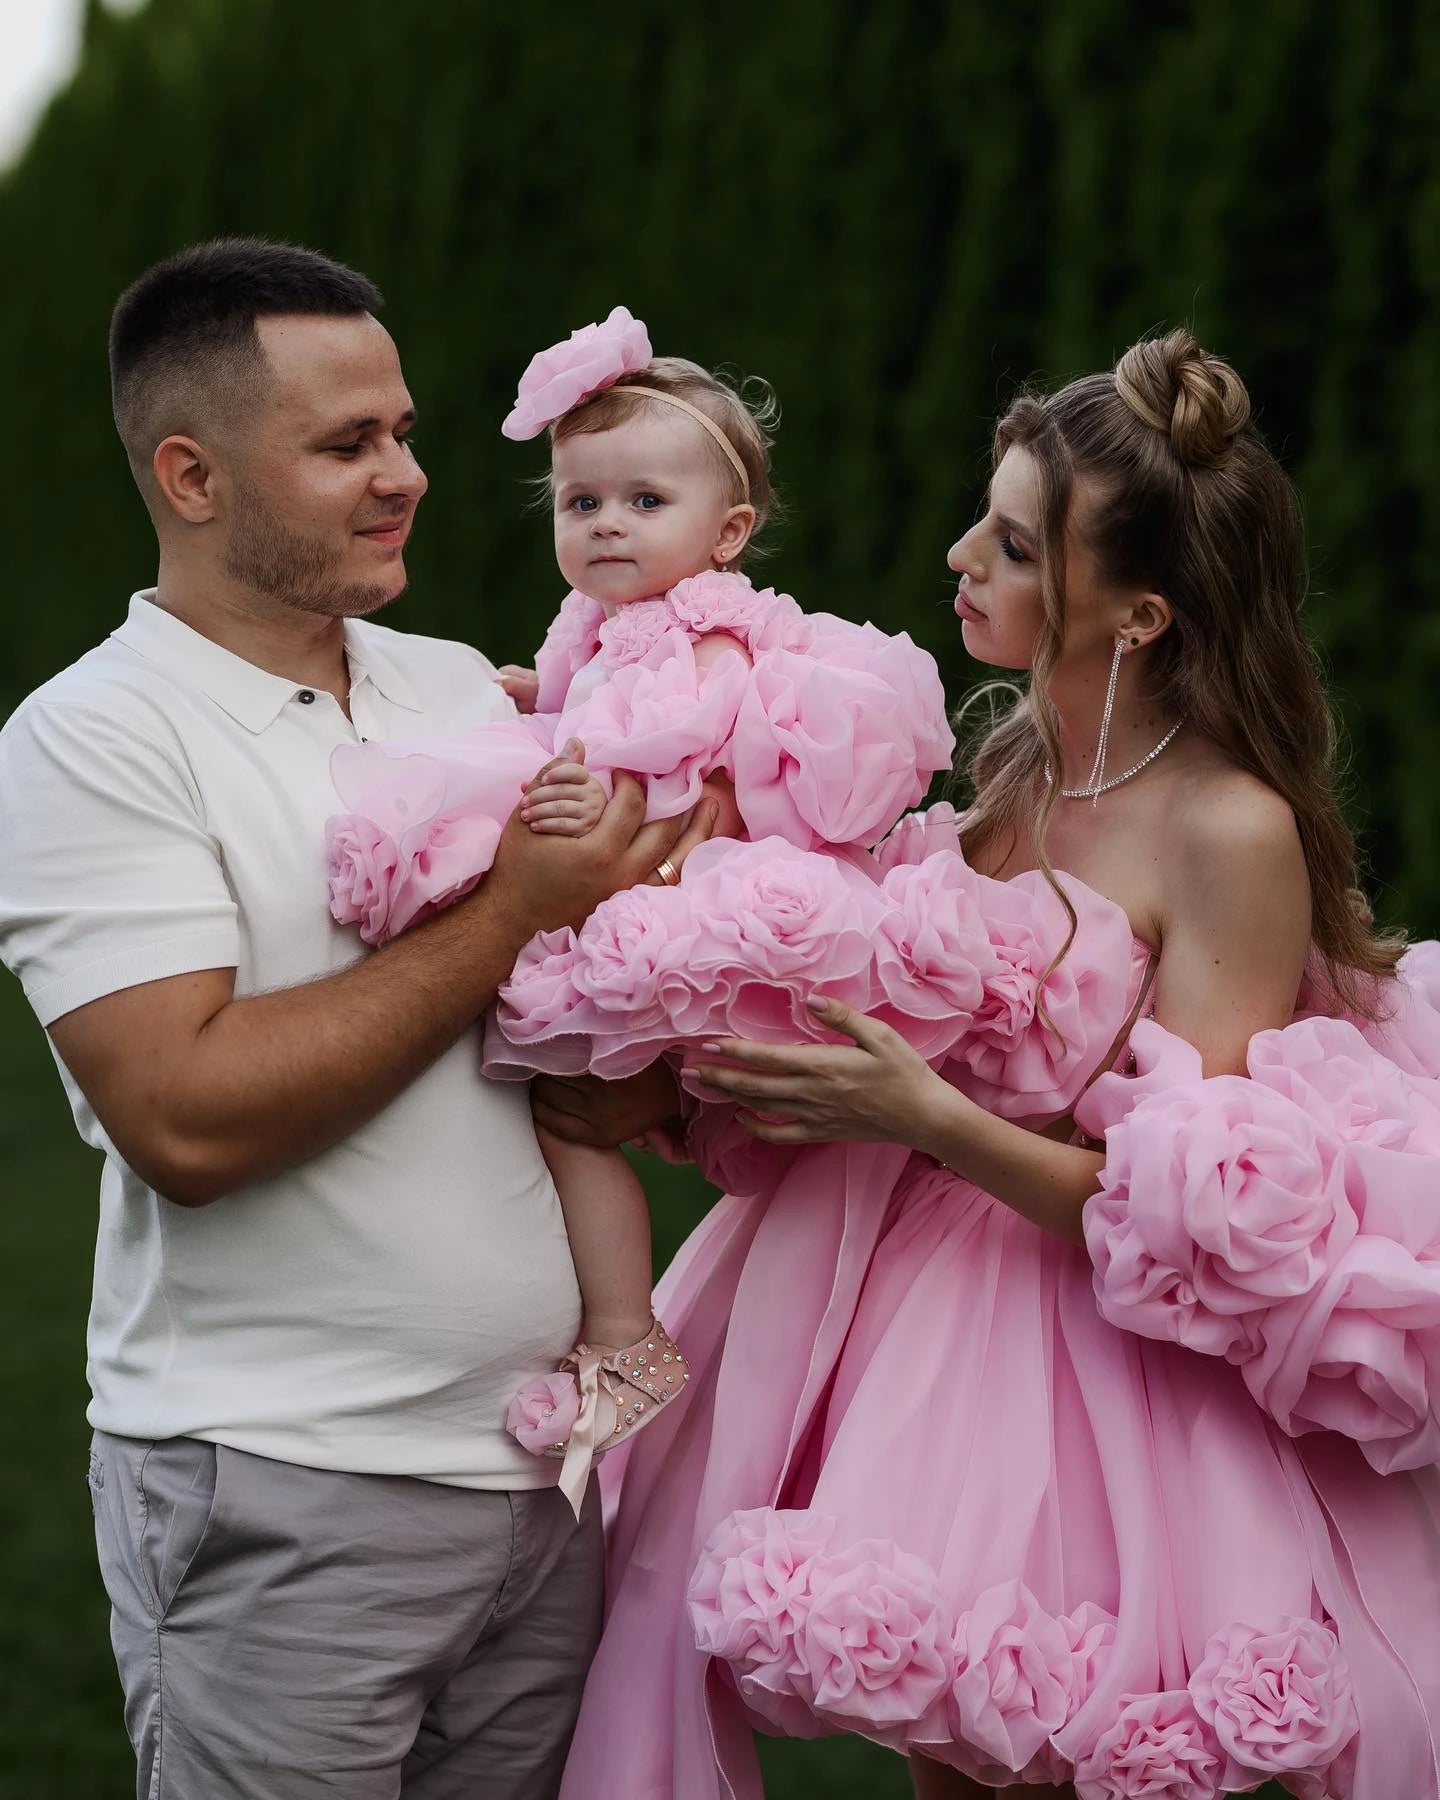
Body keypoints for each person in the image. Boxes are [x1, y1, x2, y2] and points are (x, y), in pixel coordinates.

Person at [540, 331, 1440, 1798]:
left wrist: (925, 1114)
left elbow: (1199, 1222)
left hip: (1100, 1377)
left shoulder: (1229, 831)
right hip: (904, 1291)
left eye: (1015, 545)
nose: (961, 556)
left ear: (1138, 614)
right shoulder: (1018, 765)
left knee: (1054, 1746)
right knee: (950, 1765)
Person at [0, 239, 713, 1800]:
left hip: (544, 1482)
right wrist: (517, 904)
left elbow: (557, 1023)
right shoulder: (93, 737)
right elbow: (185, 1118)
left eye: (400, 432)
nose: (407, 475)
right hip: (285, 1494)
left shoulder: (462, 686)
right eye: (346, 445)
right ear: (191, 476)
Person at [323, 306, 954, 1511]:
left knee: (569, 1103)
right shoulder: (598, 627)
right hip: (632, 890)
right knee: (569, 1115)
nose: (607, 523)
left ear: (729, 533)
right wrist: (532, 693)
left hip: (691, 897)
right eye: (580, 502)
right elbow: (584, 695)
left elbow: (667, 730)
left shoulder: (713, 628)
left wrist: (564, 736)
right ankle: (624, 1336)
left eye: (642, 504)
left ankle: (625, 1335)